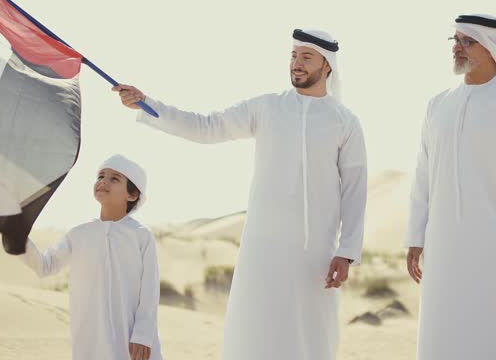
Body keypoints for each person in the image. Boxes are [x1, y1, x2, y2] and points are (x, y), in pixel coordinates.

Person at [114, 29, 367, 360]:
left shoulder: (344, 122)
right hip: (262, 248)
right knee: (255, 333)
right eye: (293, 56)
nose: (297, 63)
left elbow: (355, 189)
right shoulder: (266, 108)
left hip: (315, 254)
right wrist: (148, 104)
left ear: (328, 65)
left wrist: (346, 251)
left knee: (312, 338)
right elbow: (207, 127)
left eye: (306, 57)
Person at [405, 14, 496, 359]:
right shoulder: (438, 105)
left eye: (467, 41)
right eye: (455, 40)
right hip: (444, 247)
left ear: (493, 48)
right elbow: (424, 173)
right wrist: (415, 236)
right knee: (446, 333)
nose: (457, 48)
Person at [20, 154, 162, 360]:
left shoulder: (141, 235)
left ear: (132, 195)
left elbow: (150, 290)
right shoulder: (79, 233)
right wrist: (17, 238)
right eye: (100, 176)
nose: (103, 181)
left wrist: (143, 334)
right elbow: (45, 266)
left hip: (132, 339)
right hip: (91, 339)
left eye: (115, 179)